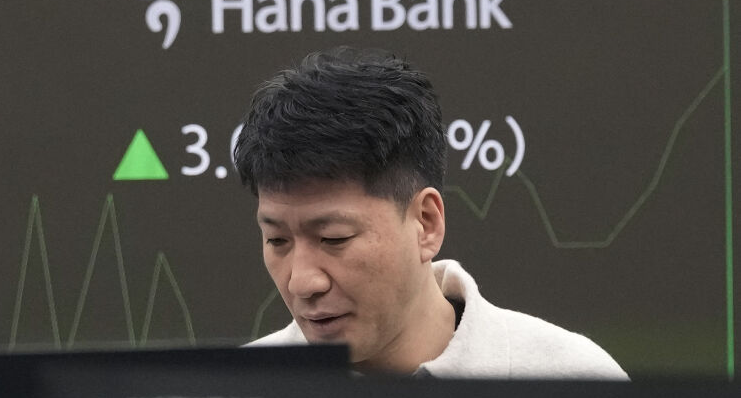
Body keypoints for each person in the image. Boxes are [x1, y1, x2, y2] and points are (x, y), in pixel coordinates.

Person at [235, 48, 625, 378]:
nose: (303, 282)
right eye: (277, 240)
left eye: (334, 238)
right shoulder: (230, 397)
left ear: (426, 222)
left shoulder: (571, 379)